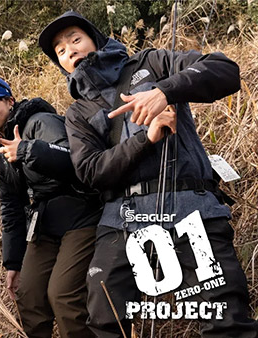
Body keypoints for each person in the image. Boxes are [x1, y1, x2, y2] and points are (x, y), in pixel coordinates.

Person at [39, 10, 258, 338]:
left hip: (190, 209)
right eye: (60, 50)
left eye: (75, 39)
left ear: (95, 40)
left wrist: (165, 91)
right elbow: (90, 172)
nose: (69, 49)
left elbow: (225, 70)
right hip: (121, 223)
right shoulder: (78, 112)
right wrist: (147, 138)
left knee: (226, 320)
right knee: (105, 321)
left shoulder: (152, 63)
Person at [0, 76, 102, 337]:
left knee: (62, 295)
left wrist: (27, 149)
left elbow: (77, 163)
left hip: (82, 216)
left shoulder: (40, 122)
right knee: (28, 295)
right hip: (45, 226)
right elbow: (11, 208)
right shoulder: (2, 151)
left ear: (9, 101)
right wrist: (13, 263)